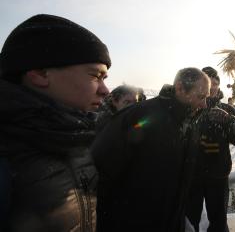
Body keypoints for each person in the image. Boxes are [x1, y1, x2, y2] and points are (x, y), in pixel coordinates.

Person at [0, 14, 111, 231]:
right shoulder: (8, 155)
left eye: (105, 79)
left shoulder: (72, 135)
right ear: (41, 74)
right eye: (95, 75)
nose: (105, 90)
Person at [91, 67, 211, 232]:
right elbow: (102, 171)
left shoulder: (190, 122)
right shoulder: (139, 116)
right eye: (201, 97)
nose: (204, 104)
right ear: (180, 88)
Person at [186, 66, 235, 232]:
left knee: (218, 219)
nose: (213, 87)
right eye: (209, 83)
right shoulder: (189, 109)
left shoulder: (228, 109)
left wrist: (229, 122)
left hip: (218, 174)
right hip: (193, 174)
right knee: (190, 217)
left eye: (216, 83)